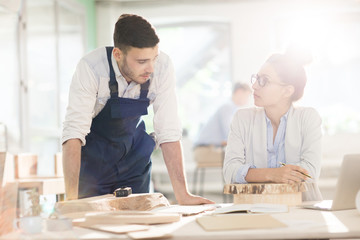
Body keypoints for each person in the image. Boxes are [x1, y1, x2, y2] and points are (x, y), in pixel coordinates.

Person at [62, 14, 213, 205]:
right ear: (118, 54)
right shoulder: (91, 68)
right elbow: (73, 133)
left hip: (134, 165)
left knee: (139, 226)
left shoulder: (162, 67)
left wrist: (183, 195)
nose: (150, 68)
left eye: (154, 58)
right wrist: (71, 200)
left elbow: (168, 131)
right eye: (142, 62)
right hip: (94, 168)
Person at [223, 52, 323, 201]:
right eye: (256, 78)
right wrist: (272, 174)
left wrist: (252, 174)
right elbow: (230, 171)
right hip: (254, 207)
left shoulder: (308, 117)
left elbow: (310, 172)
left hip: (302, 206)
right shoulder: (242, 118)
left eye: (264, 81)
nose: (254, 86)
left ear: (287, 91)